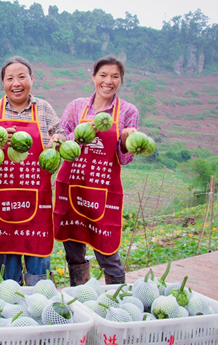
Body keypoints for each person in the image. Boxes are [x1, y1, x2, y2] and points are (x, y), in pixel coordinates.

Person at [0, 56, 66, 286]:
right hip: (3, 203)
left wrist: (58, 139)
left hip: (37, 202)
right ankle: (10, 307)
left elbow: (61, 131)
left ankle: (38, 305)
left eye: (22, 77)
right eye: (10, 78)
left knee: (39, 273)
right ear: (3, 83)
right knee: (9, 276)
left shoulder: (43, 108)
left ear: (32, 80)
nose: (16, 83)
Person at [54, 55, 139, 286]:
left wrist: (124, 140)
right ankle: (81, 296)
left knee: (107, 247)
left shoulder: (128, 112)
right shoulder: (76, 106)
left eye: (115, 76)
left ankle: (117, 300)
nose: (108, 81)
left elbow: (125, 158)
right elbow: (61, 142)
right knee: (73, 248)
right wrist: (81, 132)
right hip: (72, 187)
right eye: (103, 75)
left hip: (102, 190)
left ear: (121, 80)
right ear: (94, 77)